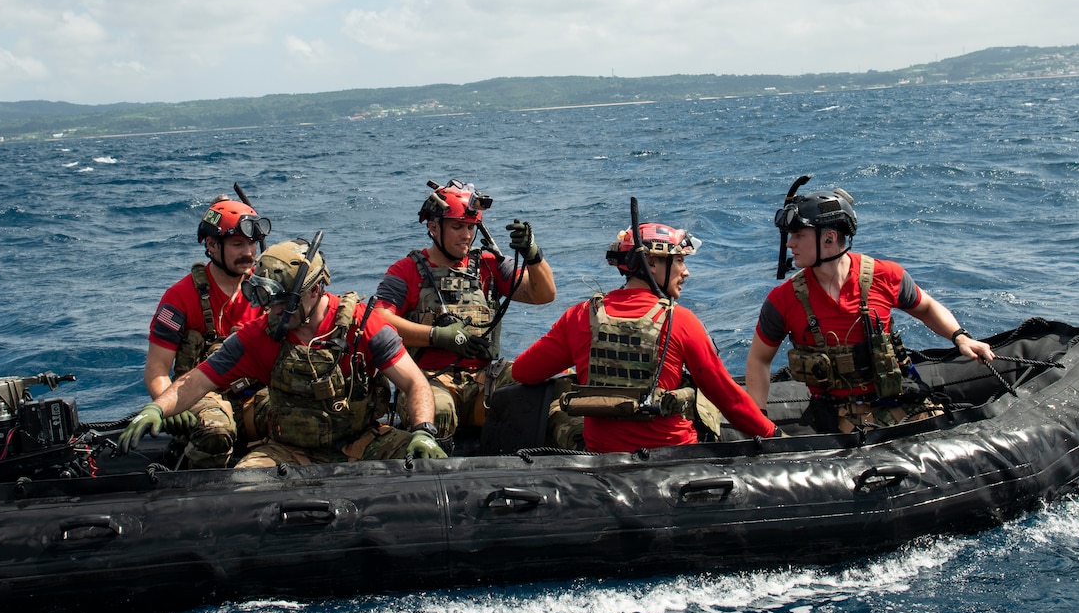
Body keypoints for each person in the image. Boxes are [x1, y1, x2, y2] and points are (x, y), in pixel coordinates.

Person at [123, 237, 446, 468]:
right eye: (268, 302)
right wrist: (156, 410)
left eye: (282, 302)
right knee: (244, 490)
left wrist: (423, 431)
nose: (273, 311)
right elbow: (197, 381)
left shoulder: (363, 324)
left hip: (365, 442)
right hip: (289, 450)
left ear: (315, 291)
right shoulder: (260, 335)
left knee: (430, 469)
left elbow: (414, 383)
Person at [508, 215, 777, 453]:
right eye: (679, 260)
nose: (686, 271)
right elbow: (729, 399)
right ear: (650, 263)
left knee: (557, 402)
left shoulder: (579, 316)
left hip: (601, 456)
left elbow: (523, 372)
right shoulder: (680, 320)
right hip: (675, 455)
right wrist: (775, 437)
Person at [744, 184, 994, 434]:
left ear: (829, 238)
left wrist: (960, 337)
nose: (790, 244)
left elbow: (927, 307)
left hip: (898, 397)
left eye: (799, 235)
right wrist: (760, 418)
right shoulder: (783, 300)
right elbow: (759, 358)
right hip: (839, 410)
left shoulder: (886, 276)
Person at [372, 180, 557, 443]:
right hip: (431, 380)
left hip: (484, 379)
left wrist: (533, 255)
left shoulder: (488, 266)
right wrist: (437, 336)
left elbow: (544, 294)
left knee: (540, 387)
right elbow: (378, 319)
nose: (466, 235)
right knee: (440, 410)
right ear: (434, 227)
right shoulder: (406, 270)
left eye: (471, 227)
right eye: (457, 226)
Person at [139, 193, 269, 467]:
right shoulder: (180, 297)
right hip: (200, 393)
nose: (248, 253)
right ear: (211, 245)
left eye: (252, 244)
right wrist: (168, 404)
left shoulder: (267, 289)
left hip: (255, 392)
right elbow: (157, 369)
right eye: (237, 244)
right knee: (215, 431)